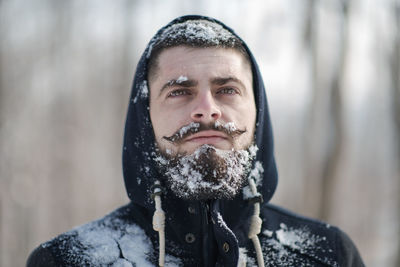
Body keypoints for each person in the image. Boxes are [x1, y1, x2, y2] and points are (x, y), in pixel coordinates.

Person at [27, 15, 365, 267]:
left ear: (257, 111)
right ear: (146, 116)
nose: (207, 110)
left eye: (227, 90)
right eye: (179, 91)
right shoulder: (66, 260)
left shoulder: (330, 254)